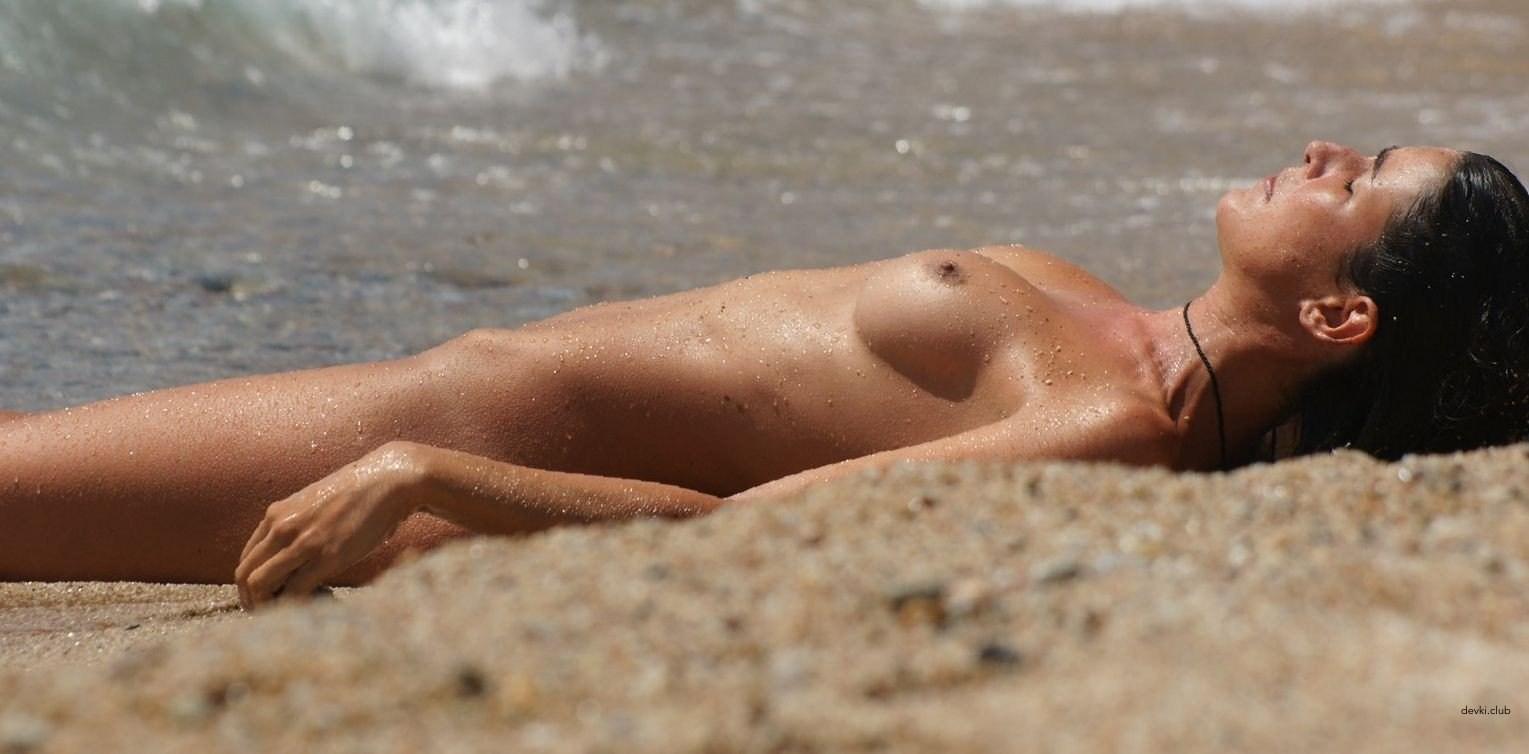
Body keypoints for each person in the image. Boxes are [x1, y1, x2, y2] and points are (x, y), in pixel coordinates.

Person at [1, 141, 1526, 609]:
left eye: (1360, 180)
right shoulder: (1115, 328)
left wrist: (423, 476)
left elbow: (746, 536)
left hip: (404, 446)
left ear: (1340, 316)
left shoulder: (1116, 423)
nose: (1321, 148)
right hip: (423, 396)